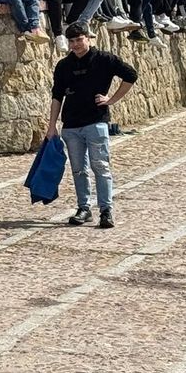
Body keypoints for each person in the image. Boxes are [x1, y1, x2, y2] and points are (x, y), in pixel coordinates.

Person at [47, 23, 137, 230]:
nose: (76, 44)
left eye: (79, 39)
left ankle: (106, 210)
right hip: (71, 125)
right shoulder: (63, 66)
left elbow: (131, 75)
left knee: (101, 167)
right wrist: (51, 126)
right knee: (79, 169)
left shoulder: (104, 59)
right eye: (71, 41)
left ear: (88, 38)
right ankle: (84, 208)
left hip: (96, 122)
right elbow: (56, 96)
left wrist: (111, 99)